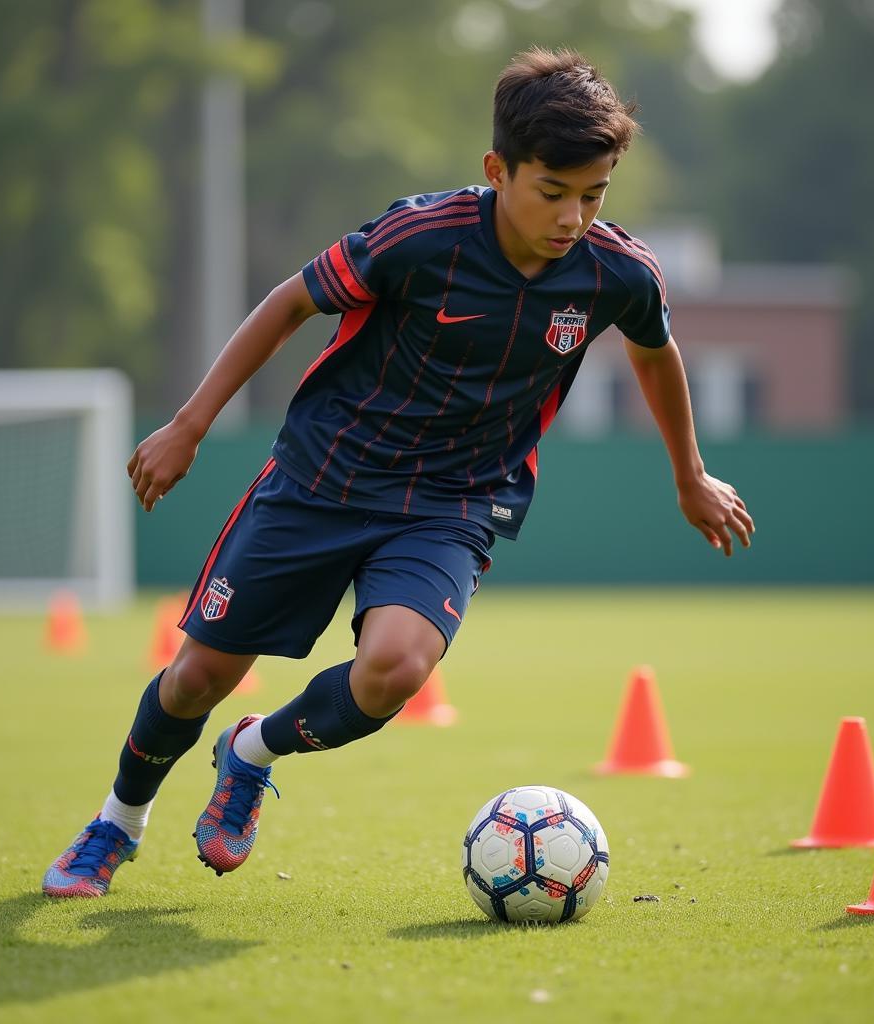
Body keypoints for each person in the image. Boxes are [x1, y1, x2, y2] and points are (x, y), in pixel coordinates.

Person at [43, 46, 754, 898]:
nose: (573, 217)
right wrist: (191, 425)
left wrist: (689, 475)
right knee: (199, 674)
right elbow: (292, 301)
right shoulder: (420, 238)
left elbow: (656, 354)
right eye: (553, 192)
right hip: (323, 478)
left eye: (594, 195)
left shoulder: (617, 272)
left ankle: (253, 751)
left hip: (454, 502)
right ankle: (115, 825)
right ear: (499, 169)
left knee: (396, 670)